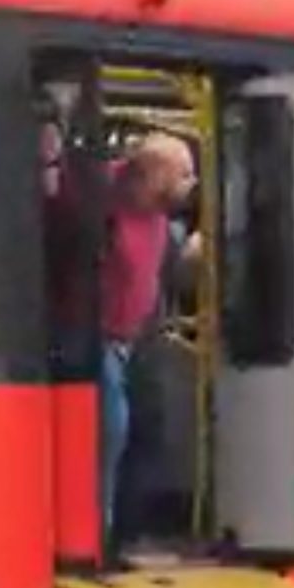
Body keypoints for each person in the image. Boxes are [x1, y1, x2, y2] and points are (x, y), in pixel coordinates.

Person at [95, 135, 200, 561]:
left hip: (137, 337)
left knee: (151, 423)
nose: (191, 184)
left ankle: (128, 533)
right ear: (155, 174)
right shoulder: (100, 198)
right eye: (185, 174)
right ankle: (96, 538)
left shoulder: (161, 219)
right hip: (97, 336)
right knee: (112, 429)